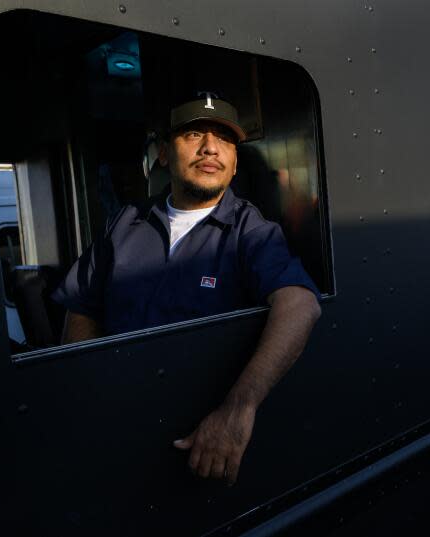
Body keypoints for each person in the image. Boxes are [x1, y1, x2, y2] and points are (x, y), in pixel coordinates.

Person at [52, 95, 321, 485]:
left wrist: (237, 410)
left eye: (224, 140)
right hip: (117, 436)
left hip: (201, 445)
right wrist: (91, 392)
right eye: (194, 133)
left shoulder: (251, 232)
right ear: (163, 153)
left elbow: (301, 305)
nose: (210, 147)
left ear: (233, 166)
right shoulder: (124, 224)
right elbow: (81, 307)